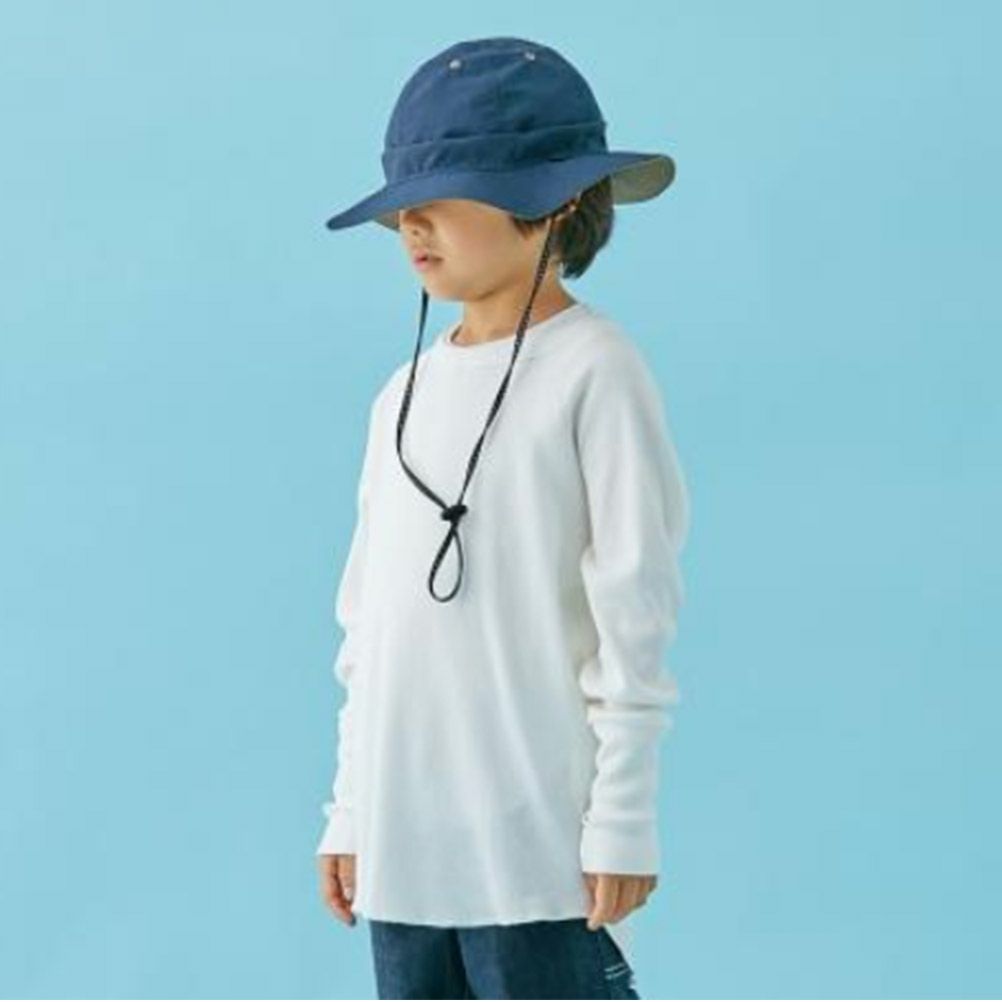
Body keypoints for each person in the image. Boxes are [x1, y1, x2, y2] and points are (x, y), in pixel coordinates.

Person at [314, 36, 691, 1000]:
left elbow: (634, 611)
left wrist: (622, 820)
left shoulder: (596, 372)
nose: (412, 223)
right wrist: (350, 810)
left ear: (554, 202)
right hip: (406, 854)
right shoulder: (401, 395)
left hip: (537, 852)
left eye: (448, 194)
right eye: (403, 202)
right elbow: (371, 631)